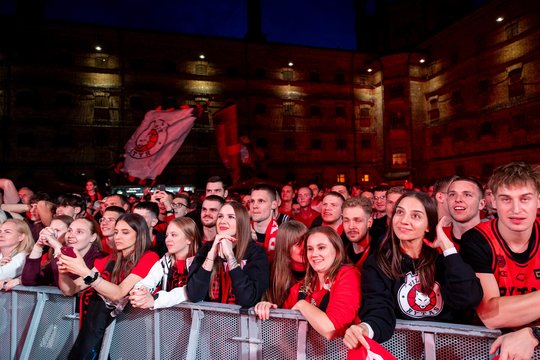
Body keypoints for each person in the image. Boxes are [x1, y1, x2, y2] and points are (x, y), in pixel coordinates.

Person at [342, 191, 483, 350]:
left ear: (429, 225)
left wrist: (447, 247)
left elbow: (469, 298)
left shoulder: (445, 260)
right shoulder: (377, 264)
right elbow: (379, 310)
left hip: (451, 349)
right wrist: (365, 329)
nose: (404, 221)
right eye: (400, 212)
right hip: (403, 350)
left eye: (415, 216)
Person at [460, 162, 540, 359]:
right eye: (506, 199)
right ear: (493, 201)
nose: (516, 209)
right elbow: (492, 315)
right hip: (491, 346)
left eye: (525, 199)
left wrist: (534, 333)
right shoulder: (477, 240)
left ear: (538, 201)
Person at [57, 213, 159, 360]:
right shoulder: (109, 260)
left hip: (135, 327)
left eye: (125, 232)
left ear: (139, 234)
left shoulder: (149, 257)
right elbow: (70, 289)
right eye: (116, 232)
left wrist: (85, 272)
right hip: (104, 329)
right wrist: (63, 272)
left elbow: (119, 293)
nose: (118, 237)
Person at [281, 226, 361, 340]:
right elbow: (281, 331)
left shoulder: (348, 275)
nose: (314, 254)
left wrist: (302, 304)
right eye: (310, 249)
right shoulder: (301, 287)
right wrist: (268, 309)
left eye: (321, 248)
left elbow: (331, 329)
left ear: (337, 250)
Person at [187, 201, 269, 307]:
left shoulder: (256, 252)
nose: (223, 221)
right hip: (209, 321)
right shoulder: (206, 249)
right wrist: (211, 255)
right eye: (220, 216)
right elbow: (194, 295)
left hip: (242, 321)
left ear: (241, 222)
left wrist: (230, 257)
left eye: (231, 217)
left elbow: (248, 299)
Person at [130, 217, 201, 309]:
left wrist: (154, 300)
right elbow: (147, 282)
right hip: (168, 318)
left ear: (189, 239)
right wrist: (140, 293)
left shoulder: (201, 263)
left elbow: (188, 291)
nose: (167, 239)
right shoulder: (165, 261)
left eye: (174, 235)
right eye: (167, 235)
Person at [21, 216, 104, 288]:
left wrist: (58, 248)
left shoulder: (100, 259)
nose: (71, 236)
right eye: (69, 230)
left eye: (79, 232)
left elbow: (71, 287)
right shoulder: (57, 258)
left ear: (93, 237)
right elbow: (29, 280)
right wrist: (38, 246)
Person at [254, 221, 308, 320]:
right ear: (285, 247)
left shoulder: (319, 270)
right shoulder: (272, 272)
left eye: (306, 242)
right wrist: (267, 306)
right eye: (297, 244)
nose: (304, 248)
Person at [444, 176, 486, 249]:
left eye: (467, 195)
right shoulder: (437, 238)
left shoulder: (495, 240)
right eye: (452, 194)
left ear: (481, 204)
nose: (458, 199)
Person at [342, 197, 375, 270]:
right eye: (346, 220)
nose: (351, 226)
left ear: (369, 222)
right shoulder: (339, 251)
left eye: (357, 220)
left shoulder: (381, 254)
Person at [0, 219, 34, 286]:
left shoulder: (23, 258)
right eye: (0, 231)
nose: (1, 235)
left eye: (7, 232)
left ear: (21, 237)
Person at [250, 184, 279, 261]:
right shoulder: (241, 231)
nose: (254, 206)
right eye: (252, 201)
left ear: (274, 205)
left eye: (261, 201)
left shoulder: (283, 236)